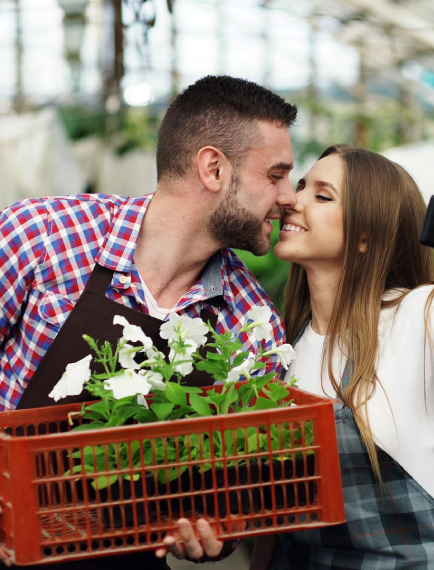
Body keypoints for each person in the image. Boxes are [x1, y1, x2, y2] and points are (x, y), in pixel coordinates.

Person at [0, 75, 298, 568]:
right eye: (276, 174)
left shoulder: (252, 323)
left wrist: (213, 531)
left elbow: (234, 496)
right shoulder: (42, 237)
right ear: (213, 168)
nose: (289, 195)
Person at [251, 144, 434, 569]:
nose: (291, 200)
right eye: (300, 186)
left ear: (365, 236)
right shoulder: (284, 346)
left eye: (322, 195)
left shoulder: (423, 312)